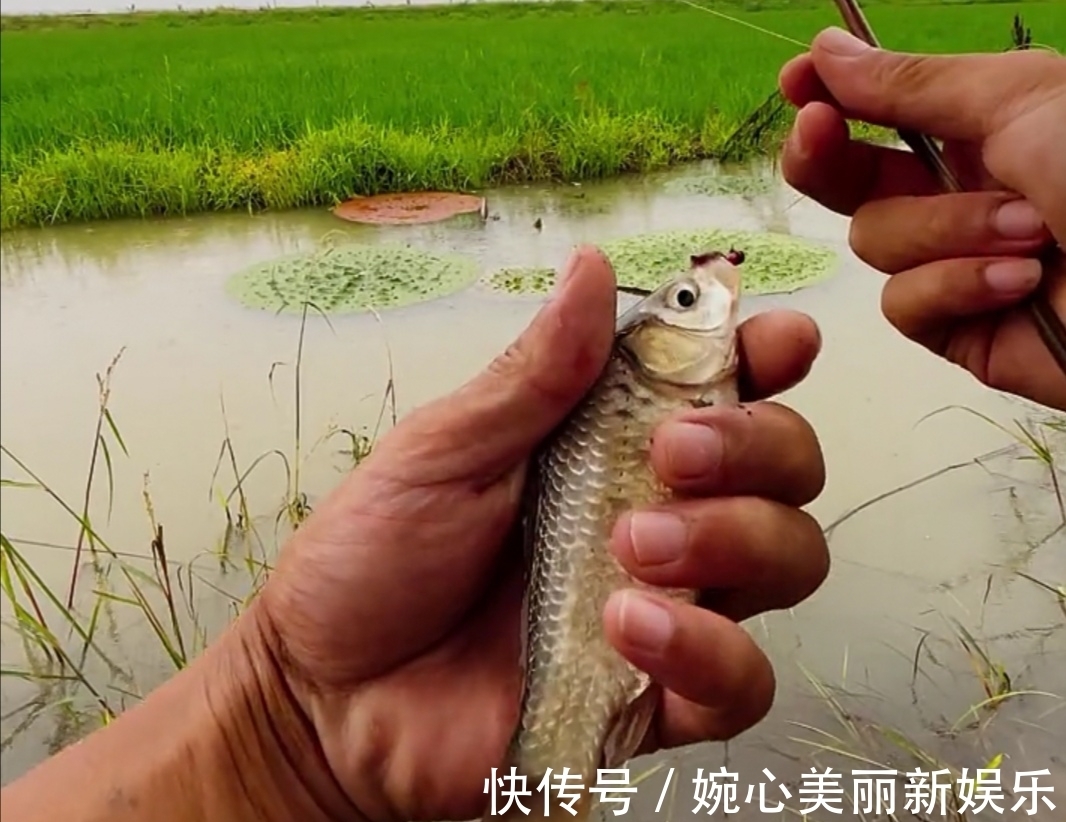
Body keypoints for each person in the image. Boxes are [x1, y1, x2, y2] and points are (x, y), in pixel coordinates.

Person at [2, 27, 1063, 822]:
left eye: (687, 301)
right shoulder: (639, 383)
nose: (710, 295)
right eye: (684, 303)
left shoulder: (681, 389)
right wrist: (290, 720)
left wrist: (293, 730)